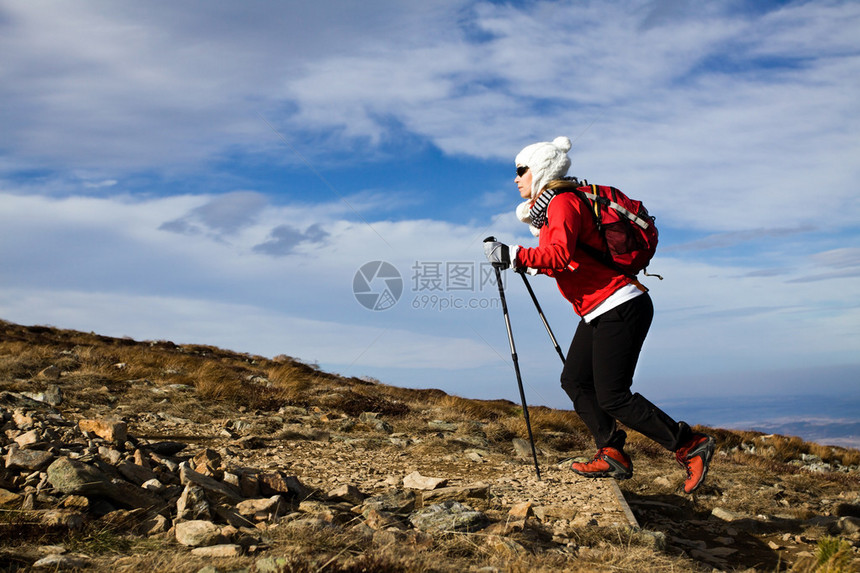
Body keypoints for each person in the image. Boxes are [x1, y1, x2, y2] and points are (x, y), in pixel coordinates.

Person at [483, 136, 715, 494]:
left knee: (614, 395)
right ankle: (612, 453)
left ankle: (689, 445)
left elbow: (558, 255)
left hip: (619, 305)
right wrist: (522, 261)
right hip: (602, 308)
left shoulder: (562, 202)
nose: (515, 178)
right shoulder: (555, 207)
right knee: (575, 381)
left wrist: (514, 255)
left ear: (540, 169)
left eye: (520, 170)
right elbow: (567, 261)